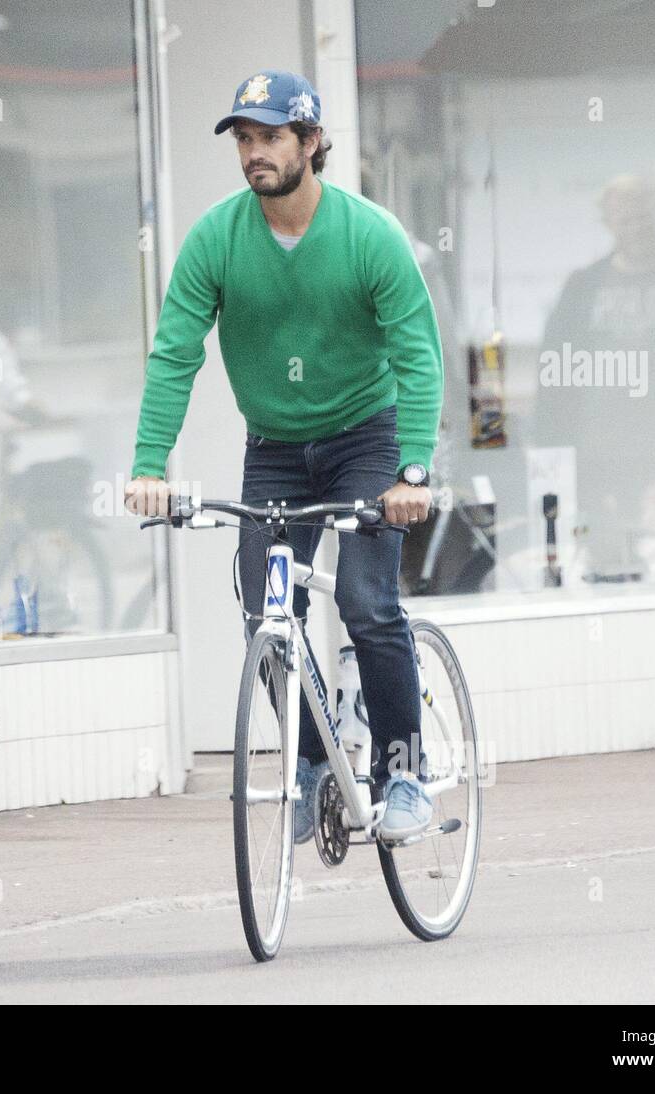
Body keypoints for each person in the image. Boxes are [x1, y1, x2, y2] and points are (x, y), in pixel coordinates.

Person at [123, 71, 443, 843]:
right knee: (267, 614)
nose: (254, 153)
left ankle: (404, 772)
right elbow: (174, 354)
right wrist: (149, 465)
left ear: (312, 142)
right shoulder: (216, 239)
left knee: (367, 601)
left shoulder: (369, 236)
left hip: (367, 439)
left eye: (269, 137)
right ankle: (309, 766)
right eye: (244, 139)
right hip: (272, 451)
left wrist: (415, 472)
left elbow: (419, 356)